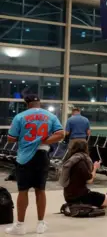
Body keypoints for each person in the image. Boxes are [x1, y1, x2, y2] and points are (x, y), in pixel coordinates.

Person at [6, 95, 64, 235]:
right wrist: (43, 141)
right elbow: (61, 134)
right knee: (40, 190)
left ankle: (20, 226)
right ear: (40, 103)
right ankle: (40, 224)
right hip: (42, 156)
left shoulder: (20, 117)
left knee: (23, 190)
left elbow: (11, 138)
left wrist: (25, 139)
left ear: (27, 104)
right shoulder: (50, 116)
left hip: (24, 158)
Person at [61, 141, 107, 208]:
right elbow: (89, 180)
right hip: (80, 196)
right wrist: (95, 168)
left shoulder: (70, 160)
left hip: (68, 196)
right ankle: (87, 207)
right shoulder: (81, 162)